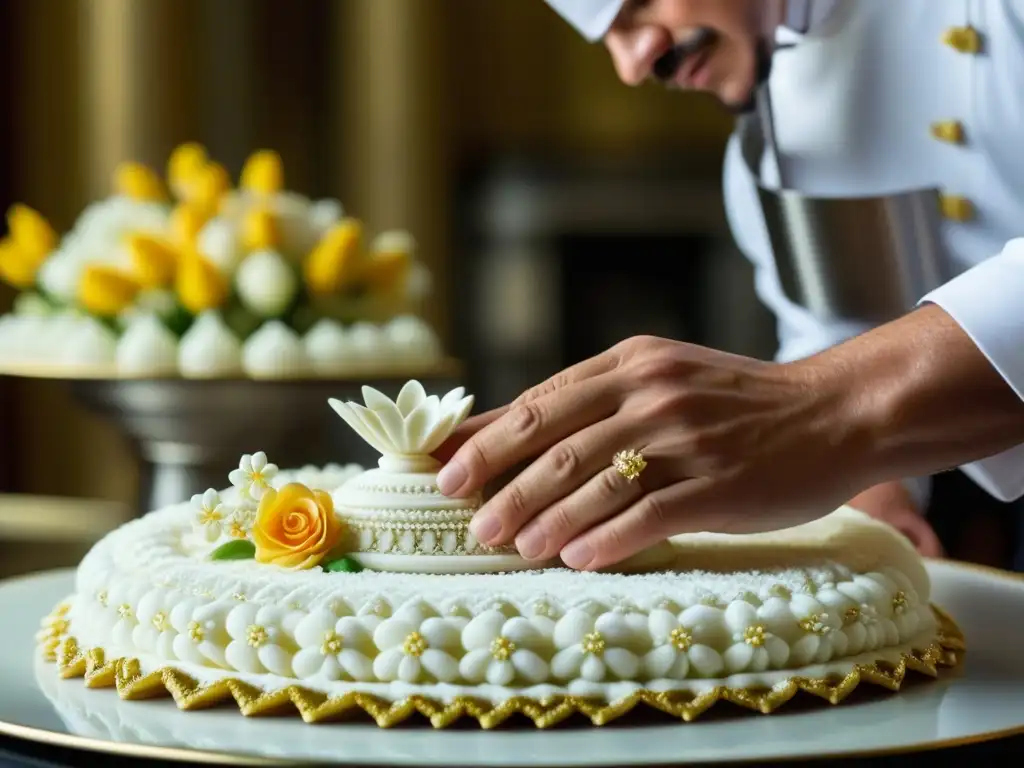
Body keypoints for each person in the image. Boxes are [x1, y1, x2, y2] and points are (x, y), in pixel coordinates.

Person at [434, 0, 1024, 571]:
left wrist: (814, 409)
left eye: (642, 4)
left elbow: (830, 388)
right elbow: (836, 327)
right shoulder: (767, 144)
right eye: (610, 34)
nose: (633, 63)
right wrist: (871, 507)